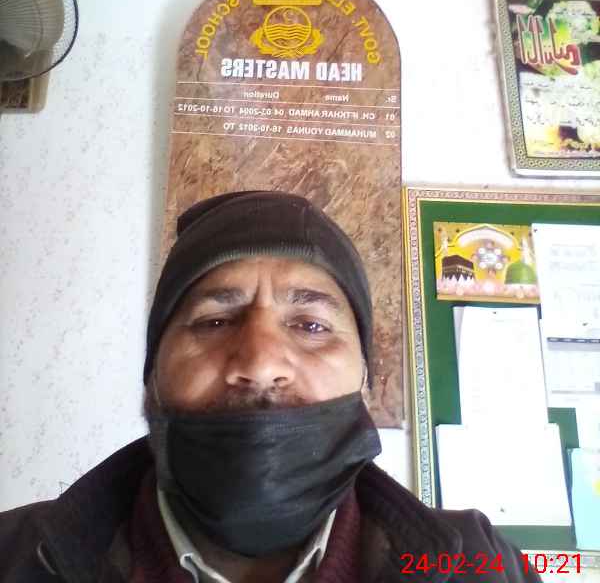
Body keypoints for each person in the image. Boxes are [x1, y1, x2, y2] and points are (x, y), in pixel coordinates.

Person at [0, 191, 541, 582]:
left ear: (366, 380)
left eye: (312, 326)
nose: (260, 364)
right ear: (152, 378)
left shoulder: (484, 567)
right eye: (214, 322)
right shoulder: (14, 557)